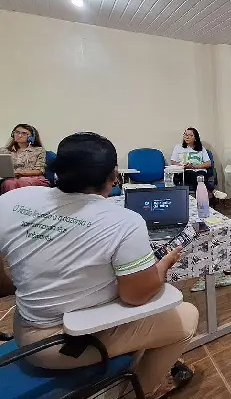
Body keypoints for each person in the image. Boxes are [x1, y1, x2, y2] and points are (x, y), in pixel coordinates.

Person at [0, 132, 198, 399]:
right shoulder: (124, 221)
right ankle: (137, 391)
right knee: (185, 317)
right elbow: (135, 297)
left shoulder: (15, 200)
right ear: (113, 175)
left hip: (23, 327)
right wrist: (162, 266)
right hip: (64, 342)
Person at [0, 124, 49, 193]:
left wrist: (18, 172)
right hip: (13, 179)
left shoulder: (39, 150)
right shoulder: (4, 151)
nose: (19, 135)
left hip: (34, 178)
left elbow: (39, 171)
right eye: (17, 132)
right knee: (8, 183)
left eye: (24, 133)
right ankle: (13, 203)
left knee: (23, 181)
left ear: (31, 137)